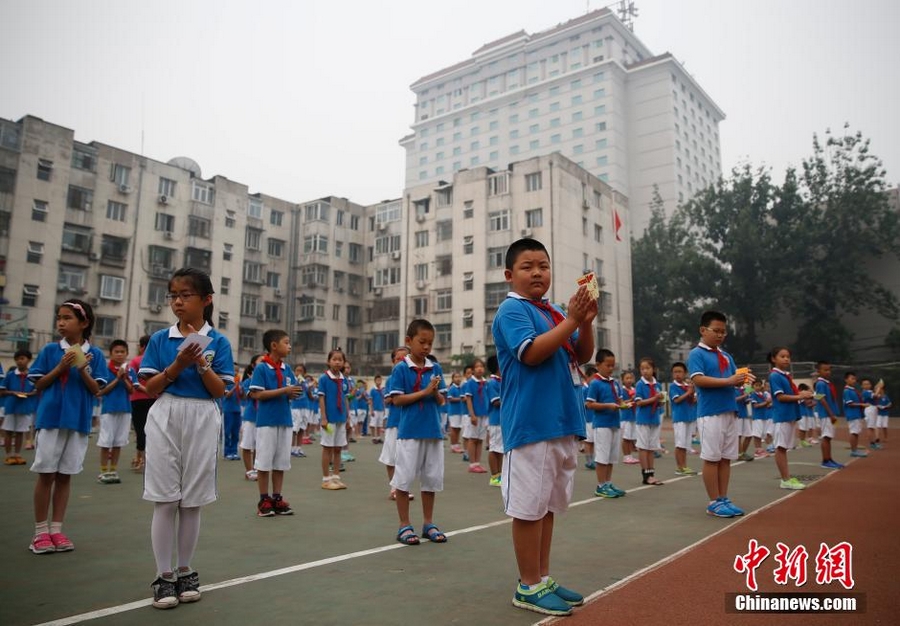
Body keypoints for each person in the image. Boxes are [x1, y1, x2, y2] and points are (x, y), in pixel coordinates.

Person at [491, 238, 594, 617]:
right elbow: (531, 353)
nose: (537, 272)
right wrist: (572, 319)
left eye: (543, 266)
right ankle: (528, 584)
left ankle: (543, 577)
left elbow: (582, 354)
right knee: (528, 508)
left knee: (547, 505)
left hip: (561, 420)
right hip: (531, 422)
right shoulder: (511, 310)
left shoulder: (551, 311)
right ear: (509, 275)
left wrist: (585, 322)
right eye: (527, 266)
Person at [139, 268, 234, 609]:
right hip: (166, 413)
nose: (177, 302)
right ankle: (163, 576)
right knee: (165, 498)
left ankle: (185, 570)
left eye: (185, 295)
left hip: (202, 416)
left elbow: (221, 391)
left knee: (192, 499)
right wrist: (178, 365)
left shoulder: (219, 343)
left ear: (206, 300)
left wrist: (202, 365)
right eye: (173, 296)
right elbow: (149, 388)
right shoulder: (160, 340)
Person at [29, 300, 110, 554]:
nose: (61, 323)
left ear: (84, 323)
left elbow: (96, 389)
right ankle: (40, 532)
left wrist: (82, 369)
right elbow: (39, 384)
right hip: (51, 419)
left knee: (64, 476)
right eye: (59, 318)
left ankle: (57, 530)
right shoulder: (51, 351)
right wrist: (60, 367)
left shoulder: (95, 355)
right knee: (46, 474)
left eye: (67, 318)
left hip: (77, 422)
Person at [687, 310, 752, 518]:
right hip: (710, 413)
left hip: (729, 410)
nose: (721, 335)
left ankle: (723, 497)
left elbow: (735, 378)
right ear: (703, 330)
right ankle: (714, 501)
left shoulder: (726, 355)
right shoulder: (697, 354)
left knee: (725, 458)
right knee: (712, 458)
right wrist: (729, 381)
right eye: (716, 331)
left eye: (724, 332)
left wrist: (745, 379)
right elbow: (698, 380)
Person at [389, 319, 448, 545]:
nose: (426, 347)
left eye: (430, 343)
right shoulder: (401, 368)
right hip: (410, 432)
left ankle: (428, 523)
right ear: (409, 341)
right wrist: (425, 391)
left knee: (431, 480)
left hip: (432, 431)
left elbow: (441, 400)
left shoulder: (435, 368)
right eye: (422, 342)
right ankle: (404, 525)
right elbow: (397, 400)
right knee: (403, 480)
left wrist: (434, 392)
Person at [249, 330, 302, 517]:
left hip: (284, 420)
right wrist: (284, 390)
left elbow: (291, 390)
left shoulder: (287, 369)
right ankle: (264, 500)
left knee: (281, 462)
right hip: (267, 421)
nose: (289, 346)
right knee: (264, 462)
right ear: (274, 345)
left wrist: (294, 391)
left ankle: (277, 498)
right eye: (286, 343)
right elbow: (257, 394)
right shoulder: (262, 368)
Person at [585, 349, 628, 498]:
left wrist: (625, 404)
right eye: (608, 365)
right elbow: (589, 404)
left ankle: (608, 483)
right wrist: (608, 406)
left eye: (613, 366)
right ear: (598, 365)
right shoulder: (595, 383)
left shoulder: (615, 383)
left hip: (614, 423)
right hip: (602, 425)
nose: (611, 369)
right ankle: (600, 485)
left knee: (611, 457)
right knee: (602, 458)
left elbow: (619, 400)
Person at [767, 347, 811, 490]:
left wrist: (802, 395)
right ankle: (785, 479)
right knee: (780, 447)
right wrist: (800, 396)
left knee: (784, 448)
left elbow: (791, 394)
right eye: (782, 356)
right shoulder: (775, 376)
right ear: (774, 359)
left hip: (790, 415)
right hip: (782, 416)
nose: (786, 359)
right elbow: (780, 397)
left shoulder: (785, 375)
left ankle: (787, 477)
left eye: (788, 356)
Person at [95, 339, 134, 484]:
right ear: (110, 354)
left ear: (127, 354)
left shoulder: (129, 370)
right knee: (106, 442)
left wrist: (124, 379)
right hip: (109, 410)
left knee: (118, 442)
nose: (119, 355)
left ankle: (113, 470)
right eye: (116, 352)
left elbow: (132, 390)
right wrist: (117, 379)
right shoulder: (105, 370)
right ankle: (103, 471)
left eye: (122, 352)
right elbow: (102, 391)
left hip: (125, 410)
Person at [378, 346, 412, 500]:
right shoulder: (392, 379)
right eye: (398, 359)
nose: (401, 361)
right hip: (394, 422)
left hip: (409, 422)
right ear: (393, 361)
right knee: (392, 457)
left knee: (405, 458)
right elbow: (387, 399)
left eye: (405, 358)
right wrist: (396, 396)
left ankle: (402, 488)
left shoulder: (413, 378)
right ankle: (394, 488)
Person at [319, 349, 350, 489]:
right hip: (329, 420)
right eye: (334, 359)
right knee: (328, 448)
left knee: (338, 448)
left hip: (341, 419)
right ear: (328, 361)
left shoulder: (344, 379)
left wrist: (348, 417)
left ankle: (336, 477)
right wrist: (323, 418)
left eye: (340, 360)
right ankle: (326, 478)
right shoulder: (324, 378)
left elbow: (345, 399)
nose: (337, 362)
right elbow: (321, 398)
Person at [634, 357, 664, 485]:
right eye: (642, 369)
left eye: (647, 368)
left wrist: (660, 402)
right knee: (643, 447)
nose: (645, 371)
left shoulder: (658, 385)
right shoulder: (640, 384)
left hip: (654, 418)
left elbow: (659, 402)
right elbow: (639, 402)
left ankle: (651, 473)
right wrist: (654, 399)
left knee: (651, 448)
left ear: (654, 369)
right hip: (643, 420)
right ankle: (645, 474)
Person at [3, 349, 37, 466]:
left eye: (22, 359)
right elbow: (2, 390)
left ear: (28, 360)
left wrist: (29, 394)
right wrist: (13, 393)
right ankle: (8, 455)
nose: (19, 361)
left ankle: (17, 454)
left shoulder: (32, 375)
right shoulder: (10, 375)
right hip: (11, 407)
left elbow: (37, 390)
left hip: (25, 407)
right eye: (17, 359)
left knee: (20, 432)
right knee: (8, 430)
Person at [128, 335, 155, 472]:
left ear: (142, 346)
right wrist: (152, 392)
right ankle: (145, 460)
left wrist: (147, 391)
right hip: (155, 399)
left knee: (140, 431)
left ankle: (140, 460)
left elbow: (134, 381)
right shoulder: (158, 360)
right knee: (153, 432)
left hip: (138, 400)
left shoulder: (135, 361)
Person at [813, 361, 844, 469]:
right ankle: (826, 460)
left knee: (829, 437)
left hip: (830, 414)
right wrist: (831, 414)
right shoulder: (820, 383)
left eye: (829, 369)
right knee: (826, 437)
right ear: (818, 371)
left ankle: (829, 458)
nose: (828, 372)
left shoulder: (826, 383)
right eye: (825, 370)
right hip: (826, 414)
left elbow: (818, 397)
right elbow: (821, 398)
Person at [669, 361, 698, 476]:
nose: (677, 374)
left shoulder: (687, 386)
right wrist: (689, 392)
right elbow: (676, 400)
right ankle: (679, 467)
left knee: (685, 445)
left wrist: (693, 394)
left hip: (689, 417)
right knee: (679, 444)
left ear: (685, 373)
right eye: (675, 372)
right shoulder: (673, 386)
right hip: (680, 418)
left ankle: (684, 466)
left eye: (680, 372)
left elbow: (692, 401)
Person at [463, 358, 490, 474]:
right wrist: (472, 415)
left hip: (484, 414)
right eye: (477, 367)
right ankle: (472, 463)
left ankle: (477, 463)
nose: (480, 369)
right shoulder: (470, 383)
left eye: (481, 366)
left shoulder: (485, 383)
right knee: (473, 439)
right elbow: (469, 399)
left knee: (480, 440)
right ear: (473, 370)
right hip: (475, 415)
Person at [240, 355, 263, 480]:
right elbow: (252, 395)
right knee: (247, 444)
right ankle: (249, 471)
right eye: (261, 361)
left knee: (259, 446)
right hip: (250, 416)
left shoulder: (266, 380)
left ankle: (256, 468)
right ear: (253, 365)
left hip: (263, 417)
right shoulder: (248, 381)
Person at [486, 355, 503, 487]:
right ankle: (494, 476)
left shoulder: (502, 381)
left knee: (501, 449)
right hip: (496, 421)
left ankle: (500, 474)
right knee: (494, 448)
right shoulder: (492, 382)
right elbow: (496, 401)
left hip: (502, 420)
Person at [842, 372, 868, 458]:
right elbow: (850, 404)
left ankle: (855, 449)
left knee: (856, 432)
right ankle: (853, 451)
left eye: (854, 379)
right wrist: (861, 405)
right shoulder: (847, 391)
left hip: (857, 414)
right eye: (852, 378)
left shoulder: (852, 390)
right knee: (854, 432)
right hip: (852, 414)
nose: (854, 380)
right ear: (846, 380)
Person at [222, 364, 242, 461]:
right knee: (227, 431)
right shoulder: (227, 382)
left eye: (237, 371)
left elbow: (243, 397)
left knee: (235, 432)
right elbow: (228, 395)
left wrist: (240, 389)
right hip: (228, 409)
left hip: (237, 409)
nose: (236, 372)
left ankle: (234, 451)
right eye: (234, 370)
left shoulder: (239, 383)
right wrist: (235, 387)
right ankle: (227, 452)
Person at [619, 370, 639, 464]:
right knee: (626, 438)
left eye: (631, 378)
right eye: (627, 378)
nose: (629, 380)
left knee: (630, 438)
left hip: (633, 416)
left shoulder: (634, 390)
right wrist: (631, 399)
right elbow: (621, 403)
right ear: (623, 380)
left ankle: (630, 456)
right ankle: (626, 456)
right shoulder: (622, 390)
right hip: (625, 417)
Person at [749, 379, 770, 458]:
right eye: (756, 385)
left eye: (759, 385)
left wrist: (769, 403)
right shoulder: (753, 394)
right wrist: (766, 402)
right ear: (753, 386)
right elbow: (756, 406)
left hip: (763, 416)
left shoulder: (762, 394)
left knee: (761, 434)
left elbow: (766, 405)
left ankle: (760, 449)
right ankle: (758, 450)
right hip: (757, 416)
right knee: (757, 434)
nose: (758, 387)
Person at [446, 371, 465, 453]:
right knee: (454, 428)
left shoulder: (461, 388)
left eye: (459, 377)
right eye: (456, 377)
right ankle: (453, 446)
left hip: (460, 411)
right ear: (453, 379)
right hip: (454, 412)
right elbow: (450, 398)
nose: (458, 379)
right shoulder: (452, 388)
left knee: (458, 429)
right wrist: (460, 399)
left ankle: (456, 445)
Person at [860, 378, 881, 450]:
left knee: (872, 427)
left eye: (868, 384)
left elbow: (877, 397)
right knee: (870, 427)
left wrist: (877, 390)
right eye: (864, 384)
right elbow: (875, 396)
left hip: (873, 408)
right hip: (870, 409)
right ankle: (872, 443)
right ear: (862, 386)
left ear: (870, 385)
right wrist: (879, 387)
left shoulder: (870, 391)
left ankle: (873, 443)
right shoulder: (865, 392)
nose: (866, 385)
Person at [368, 374, 386, 444]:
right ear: (375, 381)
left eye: (380, 380)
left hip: (381, 409)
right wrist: (371, 410)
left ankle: (378, 437)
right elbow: (370, 400)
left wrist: (384, 409)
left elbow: (383, 400)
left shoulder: (382, 390)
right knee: (373, 424)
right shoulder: (373, 390)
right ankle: (373, 437)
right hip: (375, 409)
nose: (379, 382)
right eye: (378, 380)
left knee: (379, 425)